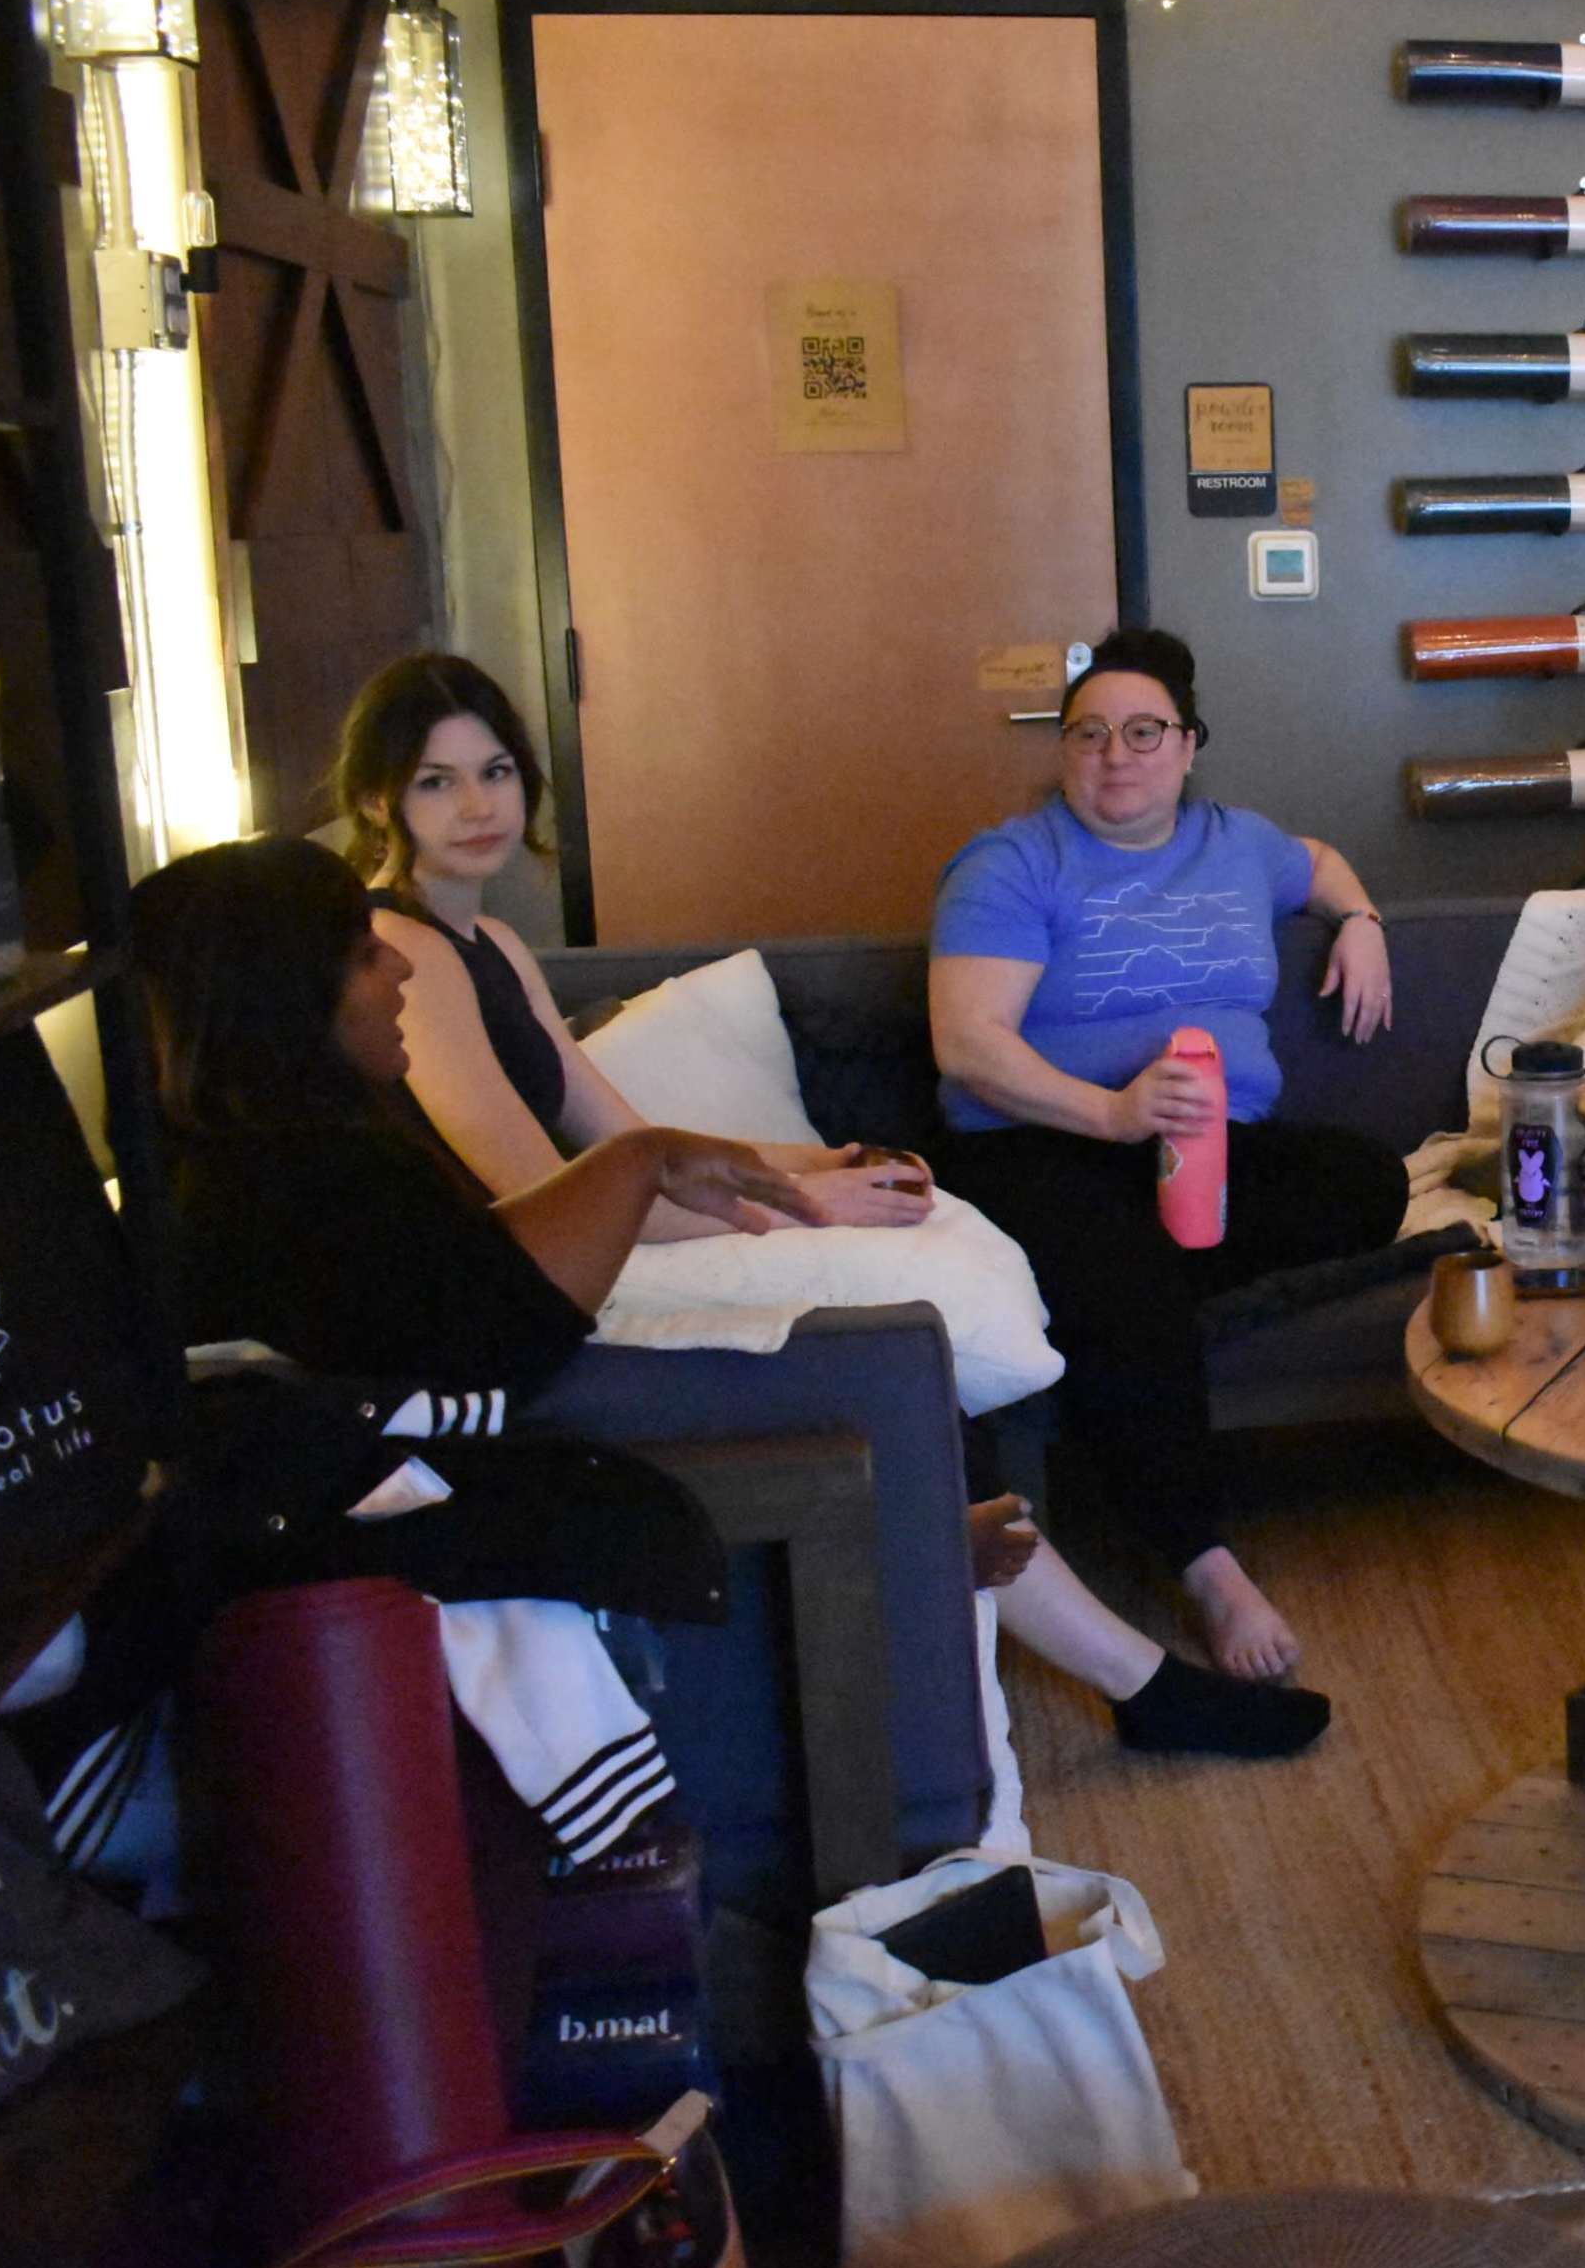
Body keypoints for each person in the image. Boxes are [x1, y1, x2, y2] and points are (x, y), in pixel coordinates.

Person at [136, 835, 1325, 1757]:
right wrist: (656, 1175)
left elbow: (513, 1240)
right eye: (358, 954)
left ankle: (1076, 1634)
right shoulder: (290, 1185)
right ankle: (1076, 1637)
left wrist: (791, 1171)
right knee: (884, 1376)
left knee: (897, 1377)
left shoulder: (304, 1132)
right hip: (530, 1439)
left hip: (532, 1390)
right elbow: (504, 1335)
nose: (391, 963)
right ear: (281, 994)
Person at [928, 626, 1408, 1684]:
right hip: (1047, 1144)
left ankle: (1115, 1301)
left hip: (1210, 1149)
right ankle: (1205, 1562)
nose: (1118, 754)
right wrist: (1111, 1113)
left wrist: (1361, 917)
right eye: (1090, 733)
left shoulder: (1237, 843)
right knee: (1123, 1266)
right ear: (1063, 751)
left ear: (1189, 747)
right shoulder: (1011, 864)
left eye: (1145, 731)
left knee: (1368, 1183)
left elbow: (1318, 866)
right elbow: (967, 1047)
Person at [331, 653, 932, 1236]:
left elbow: (628, 1143)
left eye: (496, 771)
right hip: (455, 1277)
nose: (478, 806)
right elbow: (548, 1197)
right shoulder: (399, 947)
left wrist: (813, 1163)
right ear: (375, 801)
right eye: (436, 782)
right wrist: (804, 1204)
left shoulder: (496, 941)